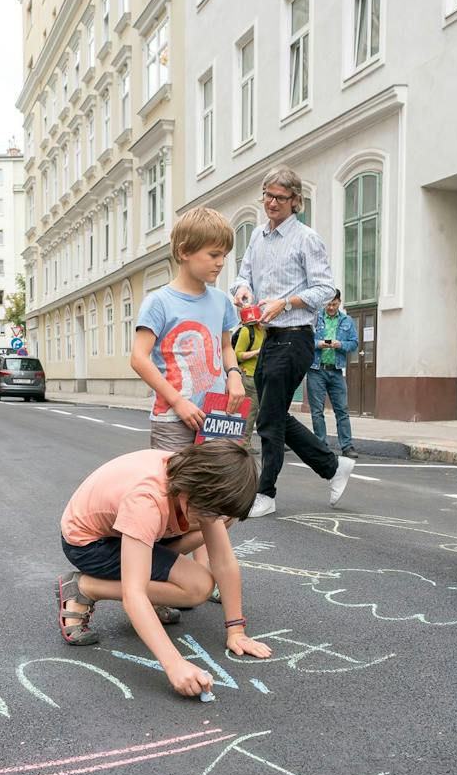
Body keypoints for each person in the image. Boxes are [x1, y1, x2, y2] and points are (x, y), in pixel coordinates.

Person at [56, 440, 274, 697]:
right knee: (197, 588)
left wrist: (237, 630)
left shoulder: (196, 480)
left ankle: (149, 587)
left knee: (202, 562)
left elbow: (224, 561)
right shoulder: (147, 501)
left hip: (131, 531)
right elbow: (133, 594)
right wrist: (174, 664)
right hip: (90, 545)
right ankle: (86, 588)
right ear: (193, 491)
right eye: (210, 511)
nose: (214, 519)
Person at [230, 166, 355, 518]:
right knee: (274, 416)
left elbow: (324, 289)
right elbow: (244, 276)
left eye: (279, 198)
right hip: (268, 336)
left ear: (296, 201)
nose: (271, 202)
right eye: (267, 195)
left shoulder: (306, 238)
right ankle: (332, 467)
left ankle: (266, 493)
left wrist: (285, 302)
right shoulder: (257, 236)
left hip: (297, 337)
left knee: (269, 419)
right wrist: (242, 291)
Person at [130, 207, 245, 452]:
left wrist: (234, 374)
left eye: (224, 255)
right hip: (174, 417)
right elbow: (139, 358)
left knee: (217, 486)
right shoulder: (158, 302)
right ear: (184, 252)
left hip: (218, 413)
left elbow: (226, 346)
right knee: (173, 487)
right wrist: (178, 402)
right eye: (213, 254)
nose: (221, 263)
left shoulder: (221, 301)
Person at [305, 290, 359, 458]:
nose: (331, 307)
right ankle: (321, 445)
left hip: (336, 371)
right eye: (328, 304)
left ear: (339, 302)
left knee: (342, 409)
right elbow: (305, 339)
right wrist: (318, 344)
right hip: (316, 370)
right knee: (317, 411)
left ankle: (347, 446)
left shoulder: (347, 321)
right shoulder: (315, 319)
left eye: (334, 304)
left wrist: (340, 344)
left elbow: (354, 343)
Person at [230, 317, 266, 456]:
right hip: (249, 376)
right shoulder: (247, 330)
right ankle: (243, 443)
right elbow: (237, 354)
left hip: (263, 376)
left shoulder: (269, 332)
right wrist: (257, 352)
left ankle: (241, 442)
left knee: (255, 411)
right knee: (249, 412)